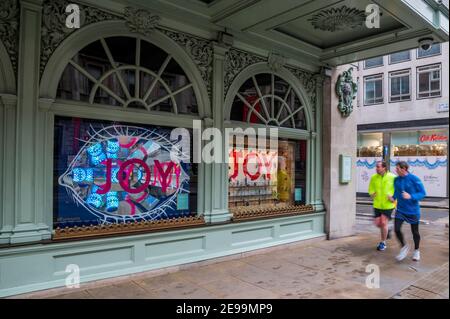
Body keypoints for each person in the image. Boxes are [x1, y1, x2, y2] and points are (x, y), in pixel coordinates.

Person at [392, 161, 426, 261]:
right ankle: (404, 247)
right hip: (401, 210)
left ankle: (416, 251)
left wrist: (411, 196)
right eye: (396, 168)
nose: (396, 170)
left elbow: (422, 193)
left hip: (413, 211)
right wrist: (393, 197)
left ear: (404, 169)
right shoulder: (396, 180)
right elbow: (396, 191)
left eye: (397, 169)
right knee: (397, 229)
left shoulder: (414, 179)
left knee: (415, 232)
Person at [368, 161, 396, 251]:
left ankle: (383, 243)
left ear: (384, 167)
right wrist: (372, 194)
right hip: (377, 204)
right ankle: (387, 230)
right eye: (376, 167)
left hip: (388, 204)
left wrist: (393, 198)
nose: (376, 168)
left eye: (378, 167)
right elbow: (371, 188)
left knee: (383, 223)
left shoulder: (393, 177)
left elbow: (398, 189)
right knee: (378, 223)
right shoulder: (373, 177)